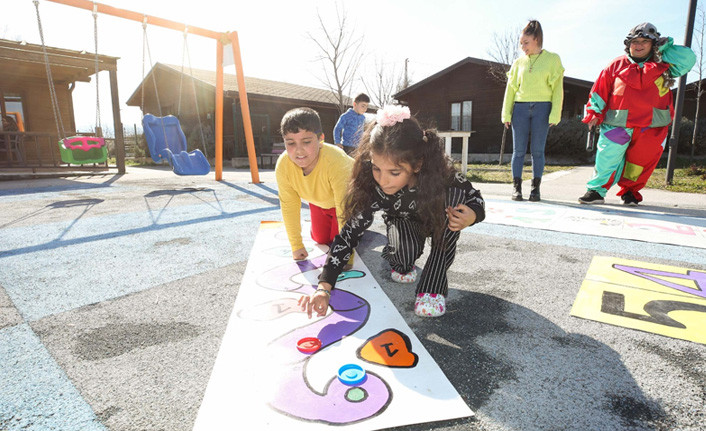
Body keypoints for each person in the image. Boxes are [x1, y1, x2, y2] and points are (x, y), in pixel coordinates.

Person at [298, 105, 485, 318]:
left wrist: (473, 215)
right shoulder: (373, 183)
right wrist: (324, 287)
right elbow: (348, 235)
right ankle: (402, 259)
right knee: (402, 263)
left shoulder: (442, 176)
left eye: (394, 172)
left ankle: (433, 287)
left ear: (417, 165)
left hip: (438, 222)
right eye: (377, 168)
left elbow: (475, 197)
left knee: (455, 202)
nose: (383, 180)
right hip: (403, 221)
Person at [579, 23, 696, 205]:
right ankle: (596, 191)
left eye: (644, 41)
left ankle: (630, 192)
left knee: (640, 163)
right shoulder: (616, 65)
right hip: (617, 123)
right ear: (628, 44)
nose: (639, 45)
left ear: (653, 44)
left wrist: (666, 48)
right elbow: (599, 90)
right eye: (635, 41)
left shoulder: (665, 65)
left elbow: (688, 59)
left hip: (651, 126)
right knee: (607, 158)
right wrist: (594, 111)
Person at [275, 107, 354, 260]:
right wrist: (296, 246)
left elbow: (345, 208)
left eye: (306, 141)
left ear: (320, 139)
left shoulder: (336, 161)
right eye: (290, 143)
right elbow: (289, 206)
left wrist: (346, 254)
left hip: (349, 202)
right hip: (321, 201)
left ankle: (361, 225)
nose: (299, 151)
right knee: (320, 239)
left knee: (335, 241)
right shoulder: (284, 165)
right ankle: (330, 221)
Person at [501, 20, 564, 202]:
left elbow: (557, 90)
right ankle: (517, 188)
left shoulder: (553, 59)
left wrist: (555, 114)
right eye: (521, 43)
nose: (522, 47)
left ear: (536, 39)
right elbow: (510, 90)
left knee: (538, 151)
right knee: (518, 151)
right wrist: (506, 114)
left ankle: (535, 189)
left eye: (526, 43)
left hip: (542, 109)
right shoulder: (518, 63)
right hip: (519, 109)